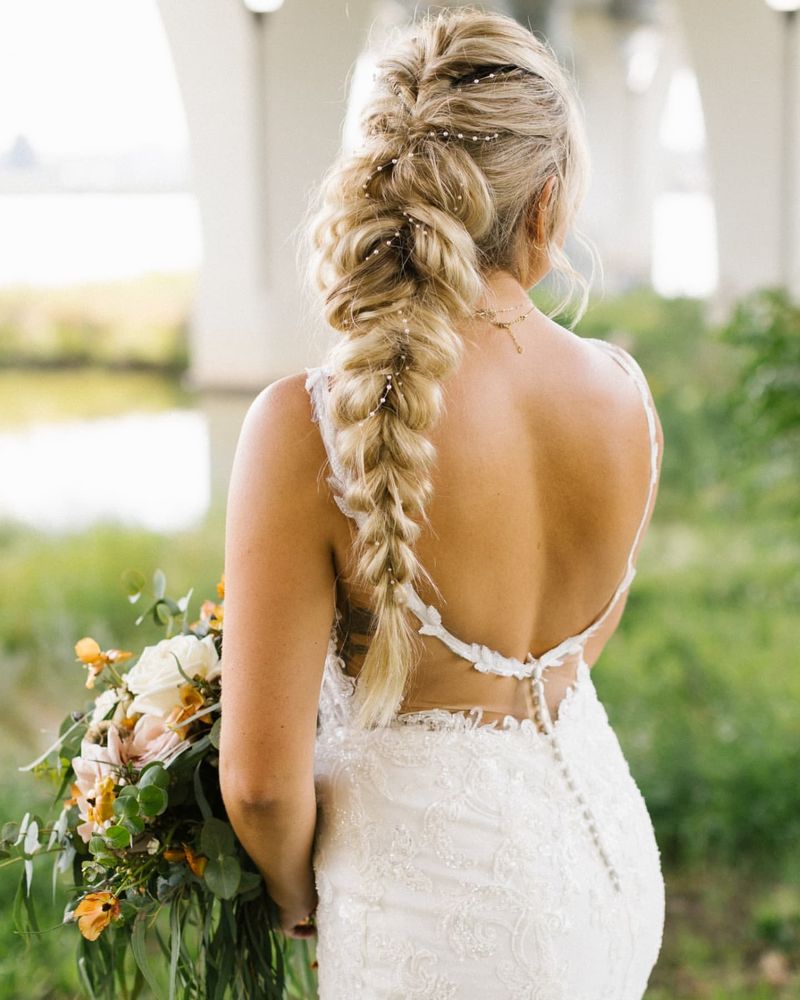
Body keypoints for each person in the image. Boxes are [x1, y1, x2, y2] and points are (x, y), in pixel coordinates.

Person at [219, 6, 665, 997]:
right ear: (543, 207)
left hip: (435, 925)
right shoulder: (624, 397)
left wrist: (300, 897)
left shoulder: (304, 422)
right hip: (606, 873)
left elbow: (257, 782)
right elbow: (564, 664)